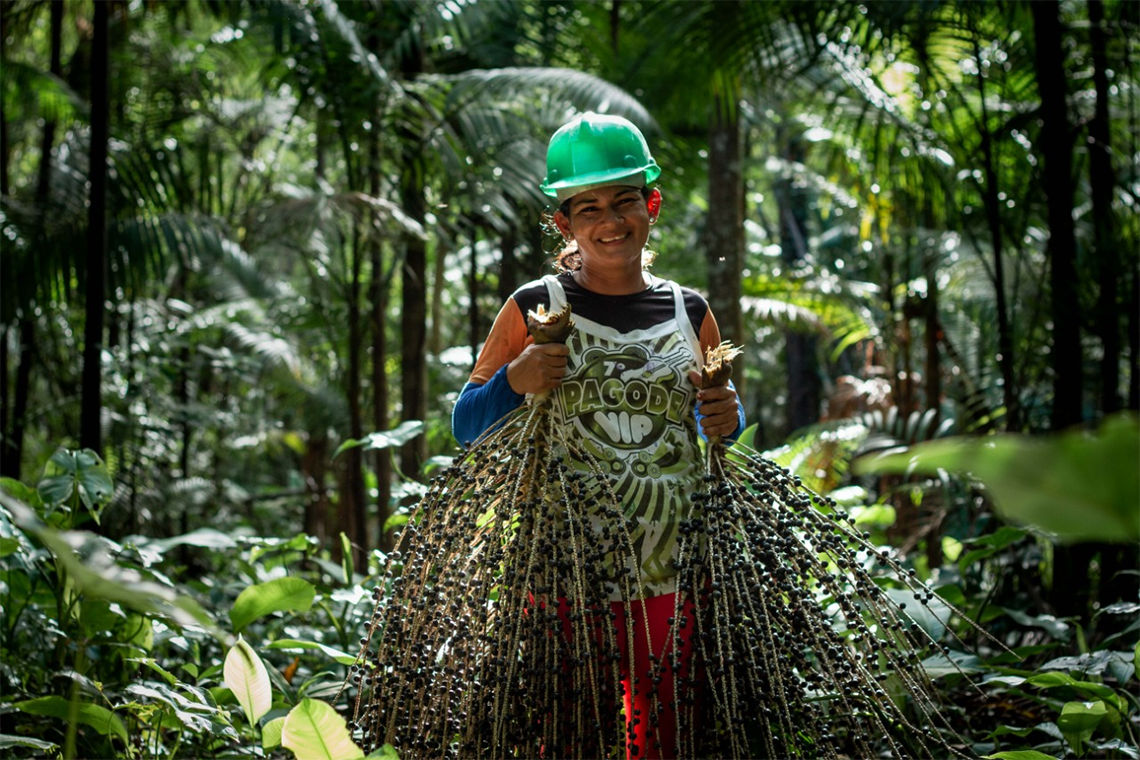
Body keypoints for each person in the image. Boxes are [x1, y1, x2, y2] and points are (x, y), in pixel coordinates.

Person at [451, 112, 745, 760]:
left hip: (671, 570)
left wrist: (729, 417)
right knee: (567, 736)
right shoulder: (534, 303)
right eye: (588, 208)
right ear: (565, 223)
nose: (610, 221)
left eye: (624, 202)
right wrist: (516, 380)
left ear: (652, 204)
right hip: (563, 575)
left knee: (664, 740)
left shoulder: (688, 311)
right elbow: (467, 424)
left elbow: (716, 418)